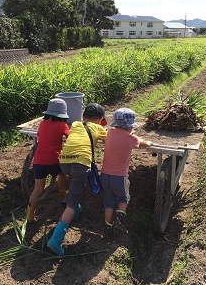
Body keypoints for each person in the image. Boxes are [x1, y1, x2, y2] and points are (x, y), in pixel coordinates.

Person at [47, 103, 107, 256]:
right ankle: (55, 240)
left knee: (75, 186)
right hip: (80, 164)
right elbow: (110, 141)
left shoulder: (75, 124)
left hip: (64, 161)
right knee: (72, 200)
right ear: (100, 120)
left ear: (83, 117)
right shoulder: (99, 128)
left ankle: (76, 209)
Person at [100, 108, 153, 236]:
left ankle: (108, 228)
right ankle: (119, 222)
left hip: (104, 176)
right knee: (123, 198)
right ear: (129, 127)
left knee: (108, 203)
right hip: (119, 177)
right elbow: (144, 143)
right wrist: (149, 142)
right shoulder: (131, 138)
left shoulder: (110, 133)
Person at [26, 98, 70, 223]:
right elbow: (70, 136)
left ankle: (29, 216)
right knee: (62, 174)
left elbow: (40, 135)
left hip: (38, 162)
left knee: (38, 189)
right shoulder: (63, 125)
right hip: (54, 160)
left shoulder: (42, 123)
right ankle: (62, 195)